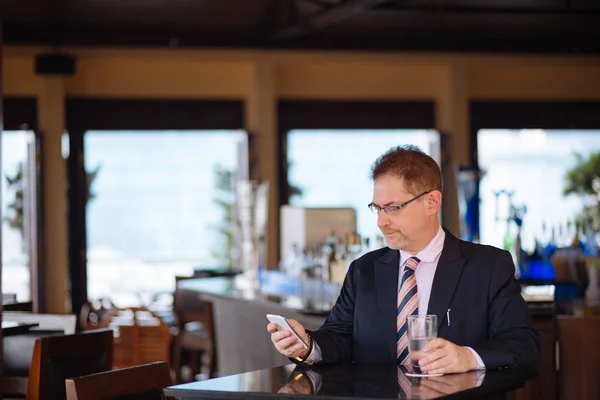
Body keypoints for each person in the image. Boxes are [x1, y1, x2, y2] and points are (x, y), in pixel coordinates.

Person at [268, 145, 541, 375]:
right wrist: (307, 345)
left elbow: (524, 345)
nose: (381, 222)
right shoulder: (364, 270)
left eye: (393, 208)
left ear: (432, 203)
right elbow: (339, 338)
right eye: (377, 208)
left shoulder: (488, 266)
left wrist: (468, 358)